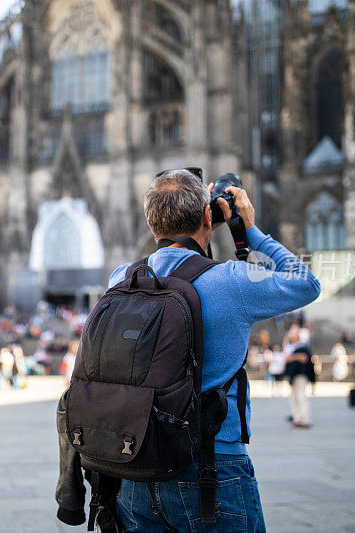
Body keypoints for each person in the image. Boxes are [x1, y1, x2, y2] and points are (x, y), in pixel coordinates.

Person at [56, 168, 320, 531]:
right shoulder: (231, 281)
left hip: (135, 464)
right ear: (207, 217)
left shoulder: (123, 277)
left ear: (152, 227)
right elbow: (306, 282)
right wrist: (249, 228)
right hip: (213, 468)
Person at [284, 325, 314, 428]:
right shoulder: (289, 347)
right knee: (293, 398)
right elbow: (286, 358)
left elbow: (305, 358)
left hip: (301, 374)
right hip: (292, 375)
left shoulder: (303, 346)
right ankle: (297, 418)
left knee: (301, 396)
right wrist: (296, 357)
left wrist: (294, 357)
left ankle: (304, 419)